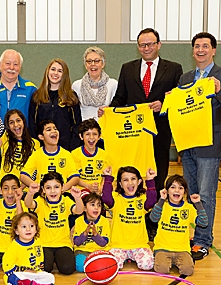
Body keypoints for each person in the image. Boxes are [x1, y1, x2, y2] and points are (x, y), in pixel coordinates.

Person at [179, 32, 221, 260]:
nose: (200, 50)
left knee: (206, 194)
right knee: (191, 193)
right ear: (192, 50)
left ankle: (204, 240)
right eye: (197, 46)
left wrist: (218, 90)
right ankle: (194, 235)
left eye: (205, 46)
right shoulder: (185, 78)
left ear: (213, 50)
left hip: (210, 145)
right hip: (188, 145)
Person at [108, 28, 183, 202]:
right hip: (133, 133)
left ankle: (153, 213)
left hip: (160, 130)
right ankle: (132, 210)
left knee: (158, 171)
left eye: (150, 44)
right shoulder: (127, 68)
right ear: (138, 47)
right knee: (133, 172)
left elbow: (178, 99)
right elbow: (120, 97)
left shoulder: (173, 68)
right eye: (142, 45)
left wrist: (164, 105)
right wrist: (109, 111)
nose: (146, 48)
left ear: (159, 44)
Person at [24, 172, 84, 275]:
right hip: (44, 244)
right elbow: (28, 203)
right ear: (43, 189)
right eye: (48, 188)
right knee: (45, 268)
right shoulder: (41, 201)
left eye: (56, 187)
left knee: (68, 269)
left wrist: (78, 198)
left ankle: (58, 258)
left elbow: (79, 210)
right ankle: (52, 259)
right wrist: (30, 193)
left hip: (63, 243)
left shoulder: (66, 200)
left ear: (62, 188)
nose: (52, 191)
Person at [149, 174, 208, 275]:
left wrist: (198, 204)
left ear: (184, 192)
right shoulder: (162, 205)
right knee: (162, 269)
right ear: (167, 191)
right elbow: (153, 218)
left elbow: (203, 223)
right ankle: (166, 261)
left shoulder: (188, 208)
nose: (176, 190)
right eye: (173, 187)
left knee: (188, 271)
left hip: (182, 249)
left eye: (180, 188)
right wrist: (161, 200)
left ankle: (179, 261)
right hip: (163, 248)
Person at [101, 166, 157, 270]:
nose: (130, 183)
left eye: (133, 179)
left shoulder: (142, 198)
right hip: (119, 245)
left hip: (139, 245)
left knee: (148, 264)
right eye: (125, 180)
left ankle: (133, 257)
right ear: (120, 184)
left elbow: (152, 201)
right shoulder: (116, 198)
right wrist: (108, 178)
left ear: (139, 181)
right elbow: (106, 198)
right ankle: (125, 258)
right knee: (111, 265)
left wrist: (150, 180)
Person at [29, 58, 82, 151]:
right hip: (42, 149)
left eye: (60, 71)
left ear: (64, 75)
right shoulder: (37, 96)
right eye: (53, 69)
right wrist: (36, 147)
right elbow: (32, 124)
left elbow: (77, 125)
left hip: (66, 149)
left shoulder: (71, 96)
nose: (55, 73)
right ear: (47, 71)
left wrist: (73, 148)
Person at [2, 212, 57, 285]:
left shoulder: (38, 242)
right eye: (24, 227)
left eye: (31, 226)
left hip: (34, 273)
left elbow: (40, 259)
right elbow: (7, 267)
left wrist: (37, 271)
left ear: (36, 229)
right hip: (21, 274)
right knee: (10, 278)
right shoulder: (14, 247)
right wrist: (25, 271)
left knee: (50, 277)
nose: (28, 229)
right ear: (16, 231)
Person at [20, 120, 79, 191]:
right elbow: (23, 176)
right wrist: (37, 187)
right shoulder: (37, 154)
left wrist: (63, 188)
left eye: (55, 129)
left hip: (63, 196)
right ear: (41, 137)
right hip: (42, 196)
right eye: (49, 129)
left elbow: (75, 177)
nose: (54, 131)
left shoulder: (66, 154)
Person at [72, 46, 118, 121]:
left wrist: (109, 109)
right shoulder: (76, 85)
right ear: (85, 65)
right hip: (84, 129)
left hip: (106, 128)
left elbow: (118, 109)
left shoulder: (113, 84)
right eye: (89, 61)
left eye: (97, 61)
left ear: (103, 64)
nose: (93, 64)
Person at [73, 192, 110, 272]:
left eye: (99, 205)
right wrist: (85, 233)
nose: (96, 208)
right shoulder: (78, 221)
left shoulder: (104, 221)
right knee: (80, 265)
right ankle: (96, 268)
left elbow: (104, 243)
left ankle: (95, 267)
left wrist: (95, 235)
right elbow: (76, 242)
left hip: (99, 251)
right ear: (85, 208)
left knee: (107, 264)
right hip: (82, 251)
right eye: (92, 205)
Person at [71, 119, 110, 194]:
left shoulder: (104, 155)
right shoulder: (74, 154)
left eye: (95, 134)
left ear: (99, 136)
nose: (91, 137)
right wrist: (88, 186)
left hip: (99, 190)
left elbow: (105, 177)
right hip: (82, 190)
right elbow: (74, 177)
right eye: (87, 134)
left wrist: (100, 190)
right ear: (81, 136)